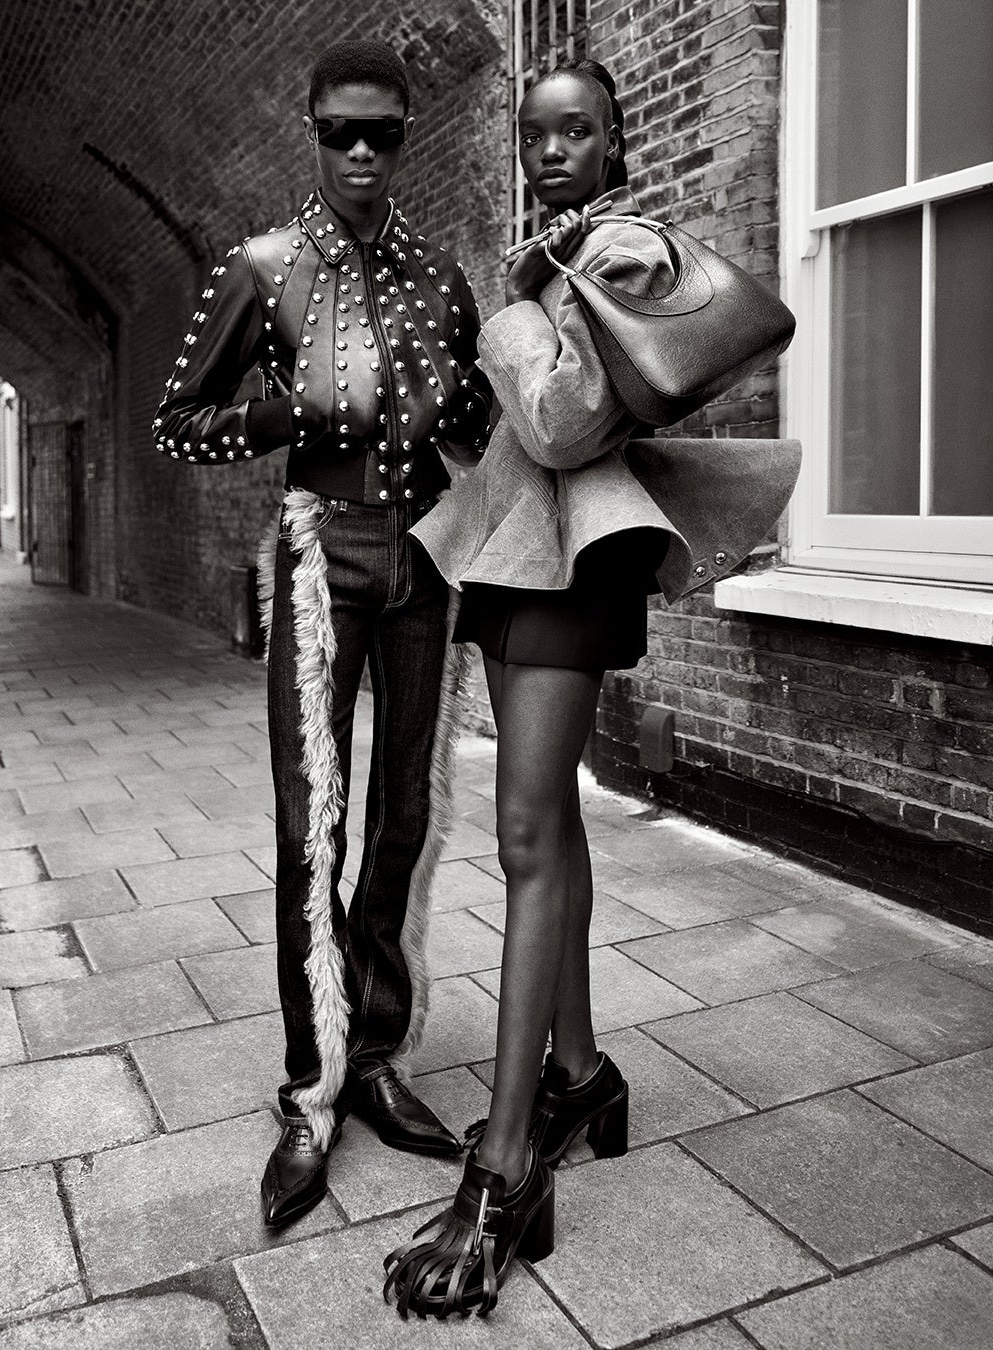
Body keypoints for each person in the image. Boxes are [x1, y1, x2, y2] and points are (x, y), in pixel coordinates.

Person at [383, 58, 800, 1318]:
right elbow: (523, 432)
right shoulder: (555, 257)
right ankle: (579, 1074)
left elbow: (568, 424)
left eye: (577, 132)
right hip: (516, 553)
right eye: (535, 134)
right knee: (549, 820)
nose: (551, 150)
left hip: (576, 563)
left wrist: (511, 316)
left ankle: (507, 1164)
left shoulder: (626, 252)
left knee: (523, 835)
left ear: (616, 145)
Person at [153, 40, 491, 1232]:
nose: (360, 152)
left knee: (407, 815)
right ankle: (312, 1085)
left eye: (382, 133)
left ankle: (378, 1053)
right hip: (320, 556)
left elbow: (481, 428)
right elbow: (178, 423)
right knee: (314, 825)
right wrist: (282, 409)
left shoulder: (439, 277)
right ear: (312, 131)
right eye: (340, 131)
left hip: (426, 557)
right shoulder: (264, 266)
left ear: (403, 136)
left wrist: (467, 400)